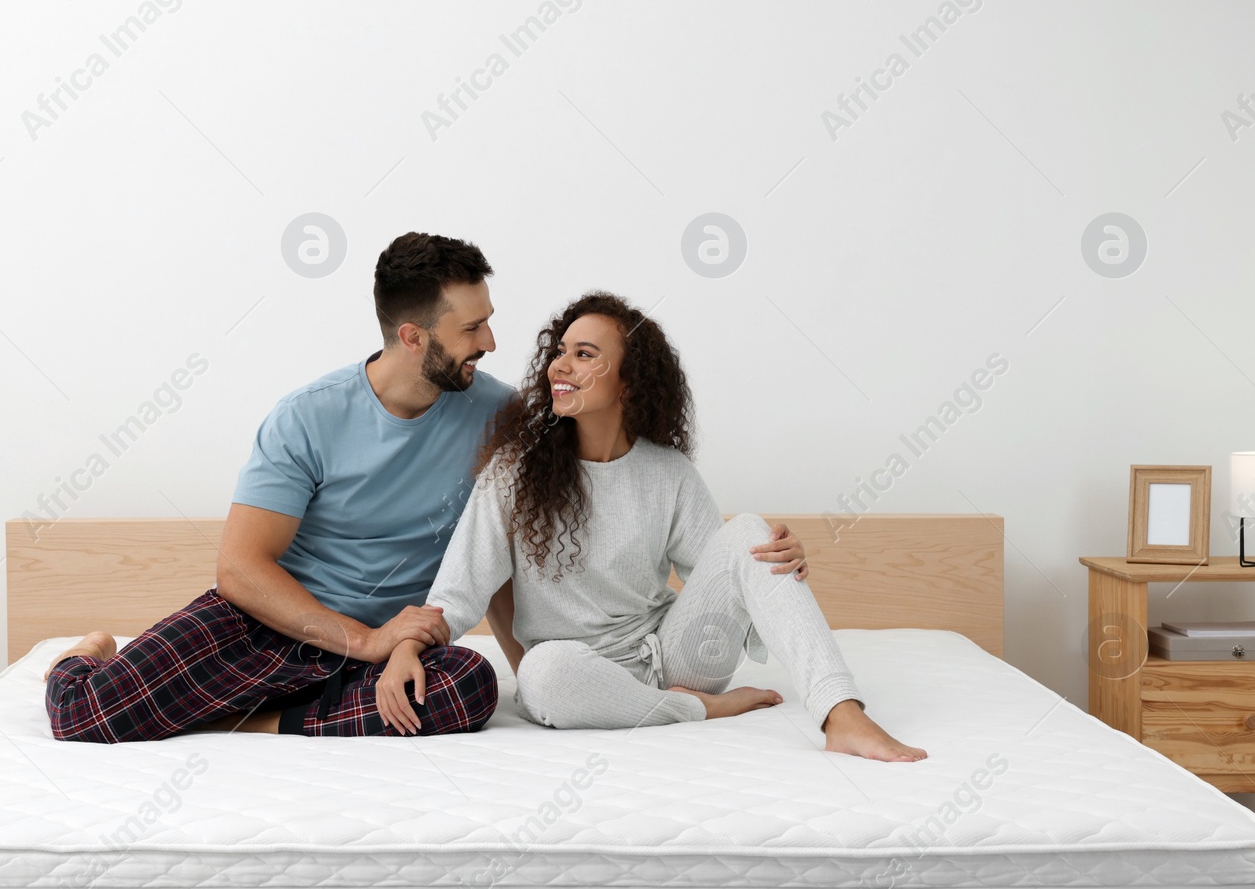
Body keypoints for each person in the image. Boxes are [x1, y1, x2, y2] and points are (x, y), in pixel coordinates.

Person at [377, 291, 926, 762]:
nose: (559, 366)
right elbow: (456, 591)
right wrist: (407, 646)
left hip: (679, 657)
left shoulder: (668, 472)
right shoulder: (513, 472)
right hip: (581, 675)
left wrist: (776, 560)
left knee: (752, 531)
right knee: (540, 674)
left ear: (629, 382)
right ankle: (695, 711)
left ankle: (842, 714)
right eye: (560, 352)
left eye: (584, 354)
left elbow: (730, 574)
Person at [41, 232, 513, 740]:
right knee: (82, 716)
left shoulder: (502, 417)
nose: (490, 342)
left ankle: (255, 722)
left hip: (390, 653)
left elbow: (505, 548)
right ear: (412, 336)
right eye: (473, 327)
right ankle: (87, 653)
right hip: (269, 627)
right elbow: (240, 570)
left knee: (471, 684)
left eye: (487, 320)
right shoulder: (309, 416)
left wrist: (400, 646)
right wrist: (365, 639)